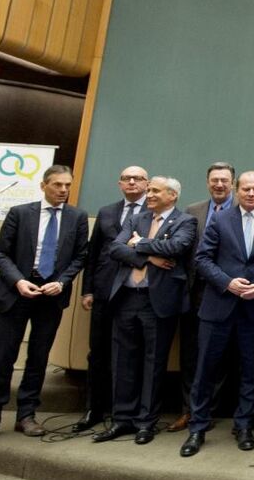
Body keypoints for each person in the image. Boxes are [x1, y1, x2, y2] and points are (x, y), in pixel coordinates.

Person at [0, 165, 89, 445]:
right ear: (43, 185)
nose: (63, 190)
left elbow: (80, 256)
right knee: (4, 357)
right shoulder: (20, 213)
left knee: (38, 358)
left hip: (51, 296)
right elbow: (0, 253)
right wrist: (18, 281)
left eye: (67, 185)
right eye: (57, 185)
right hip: (16, 294)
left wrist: (62, 281)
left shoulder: (77, 217)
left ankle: (26, 415)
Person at [180, 171, 254, 457]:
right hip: (218, 307)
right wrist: (228, 283)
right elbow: (202, 259)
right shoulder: (220, 219)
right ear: (237, 190)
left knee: (251, 371)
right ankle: (197, 428)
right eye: (246, 189)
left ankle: (244, 426)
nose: (251, 193)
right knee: (205, 370)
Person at [95, 177, 197, 445]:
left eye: (155, 191)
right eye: (149, 190)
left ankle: (145, 422)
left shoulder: (185, 221)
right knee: (123, 361)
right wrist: (149, 256)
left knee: (153, 364)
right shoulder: (137, 218)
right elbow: (115, 248)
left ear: (172, 195)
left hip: (158, 303)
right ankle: (122, 419)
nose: (148, 194)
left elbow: (175, 248)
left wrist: (138, 243)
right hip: (126, 298)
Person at [75, 165, 148, 432]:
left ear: (147, 183)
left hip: (135, 291)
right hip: (104, 292)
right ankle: (94, 408)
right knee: (98, 352)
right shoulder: (107, 212)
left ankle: (129, 412)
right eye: (126, 178)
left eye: (137, 178)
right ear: (119, 184)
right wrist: (88, 290)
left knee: (133, 353)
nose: (132, 182)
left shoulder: (155, 212)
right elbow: (93, 254)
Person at [170, 161, 236, 433]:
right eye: (214, 180)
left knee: (219, 356)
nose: (219, 185)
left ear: (233, 183)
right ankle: (189, 410)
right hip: (195, 292)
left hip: (226, 293)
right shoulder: (193, 211)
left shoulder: (242, 210)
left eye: (224, 180)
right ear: (208, 183)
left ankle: (207, 411)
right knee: (190, 354)